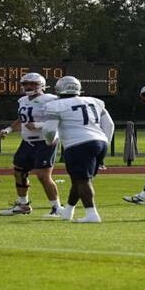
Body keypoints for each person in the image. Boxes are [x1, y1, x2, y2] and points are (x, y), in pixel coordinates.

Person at [36, 76, 114, 223]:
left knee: (83, 181)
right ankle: (68, 212)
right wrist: (105, 144)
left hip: (77, 144)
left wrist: (49, 141)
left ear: (58, 89)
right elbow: (109, 125)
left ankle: (92, 214)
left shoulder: (56, 105)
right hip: (100, 141)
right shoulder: (95, 101)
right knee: (78, 180)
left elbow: (49, 128)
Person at [0, 73, 62, 217]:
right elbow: (22, 119)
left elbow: (58, 120)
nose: (28, 86)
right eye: (26, 84)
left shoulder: (50, 100)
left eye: (33, 84)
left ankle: (57, 208)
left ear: (41, 85)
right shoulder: (23, 100)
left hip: (45, 141)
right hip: (27, 141)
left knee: (43, 176)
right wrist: (8, 129)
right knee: (19, 172)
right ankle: (23, 205)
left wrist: (39, 125)